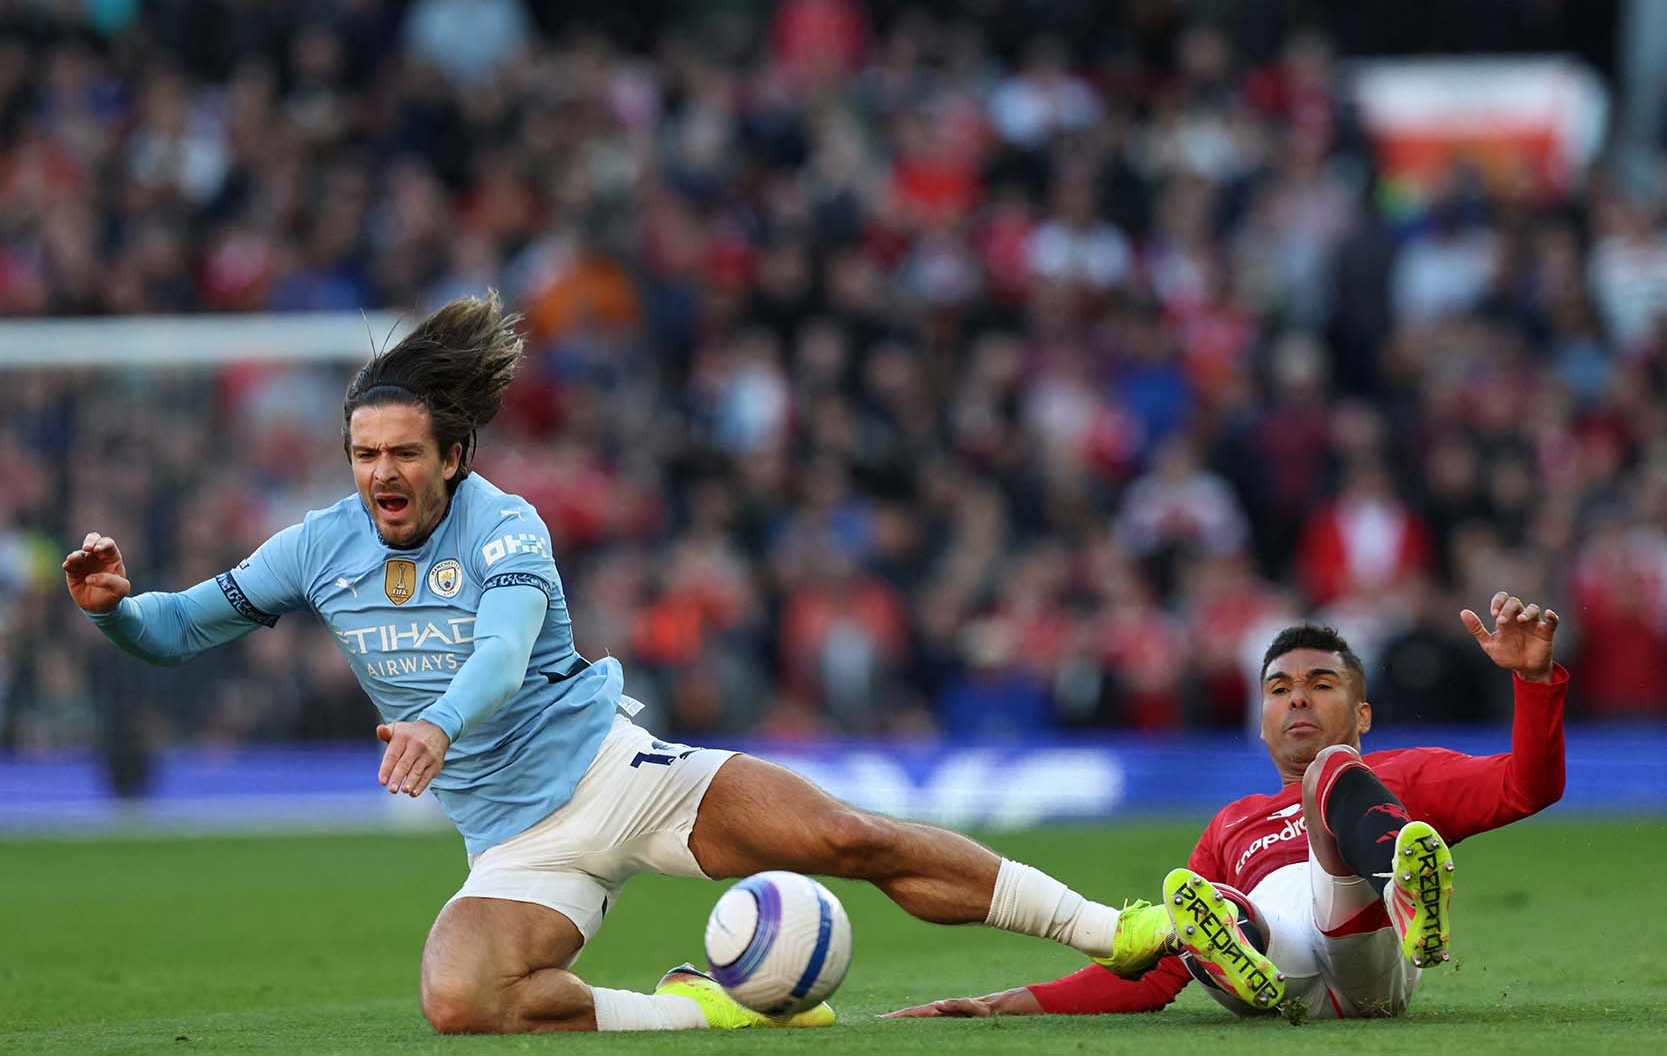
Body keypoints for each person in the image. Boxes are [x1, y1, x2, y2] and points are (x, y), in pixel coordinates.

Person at [62, 293, 1179, 1034]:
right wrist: (117, 608)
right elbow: (176, 628)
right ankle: (707, 1014)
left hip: (622, 778)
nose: (381, 474)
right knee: (462, 1001)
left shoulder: (506, 526)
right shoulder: (317, 544)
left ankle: (1107, 928)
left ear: (453, 454)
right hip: (514, 841)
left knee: (852, 837)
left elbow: (500, 653)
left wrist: (437, 726)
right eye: (364, 454)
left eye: (404, 453)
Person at [886, 596, 1566, 1021]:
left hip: (1367, 959)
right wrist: (999, 1003)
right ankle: (1234, 944)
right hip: (1278, 979)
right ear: (1260, 721)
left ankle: (1403, 890)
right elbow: (1151, 976)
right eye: (1278, 688)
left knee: (1332, 772)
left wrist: (1533, 682)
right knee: (1201, 908)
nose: (1296, 698)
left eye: (1319, 683)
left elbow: (1525, 786)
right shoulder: (1230, 823)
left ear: (1361, 712)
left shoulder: (1399, 773)